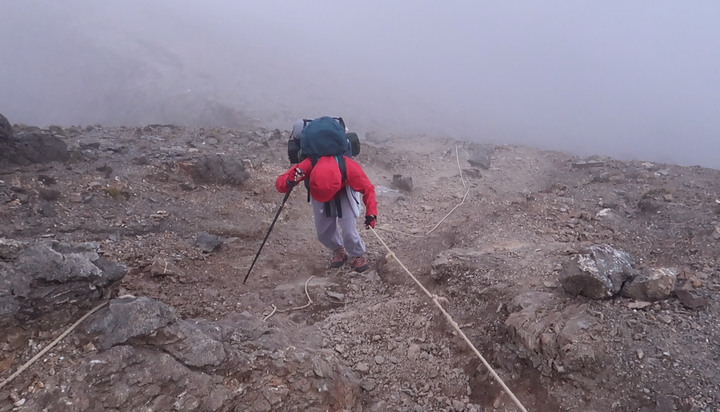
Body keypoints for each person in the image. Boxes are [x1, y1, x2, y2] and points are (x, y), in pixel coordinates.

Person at [275, 151, 377, 272]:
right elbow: (280, 183)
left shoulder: (347, 165)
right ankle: (338, 248)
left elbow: (368, 188)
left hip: (343, 193)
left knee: (349, 229)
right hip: (318, 195)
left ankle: (357, 254)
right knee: (323, 233)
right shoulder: (308, 164)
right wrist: (289, 180)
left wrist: (371, 214)